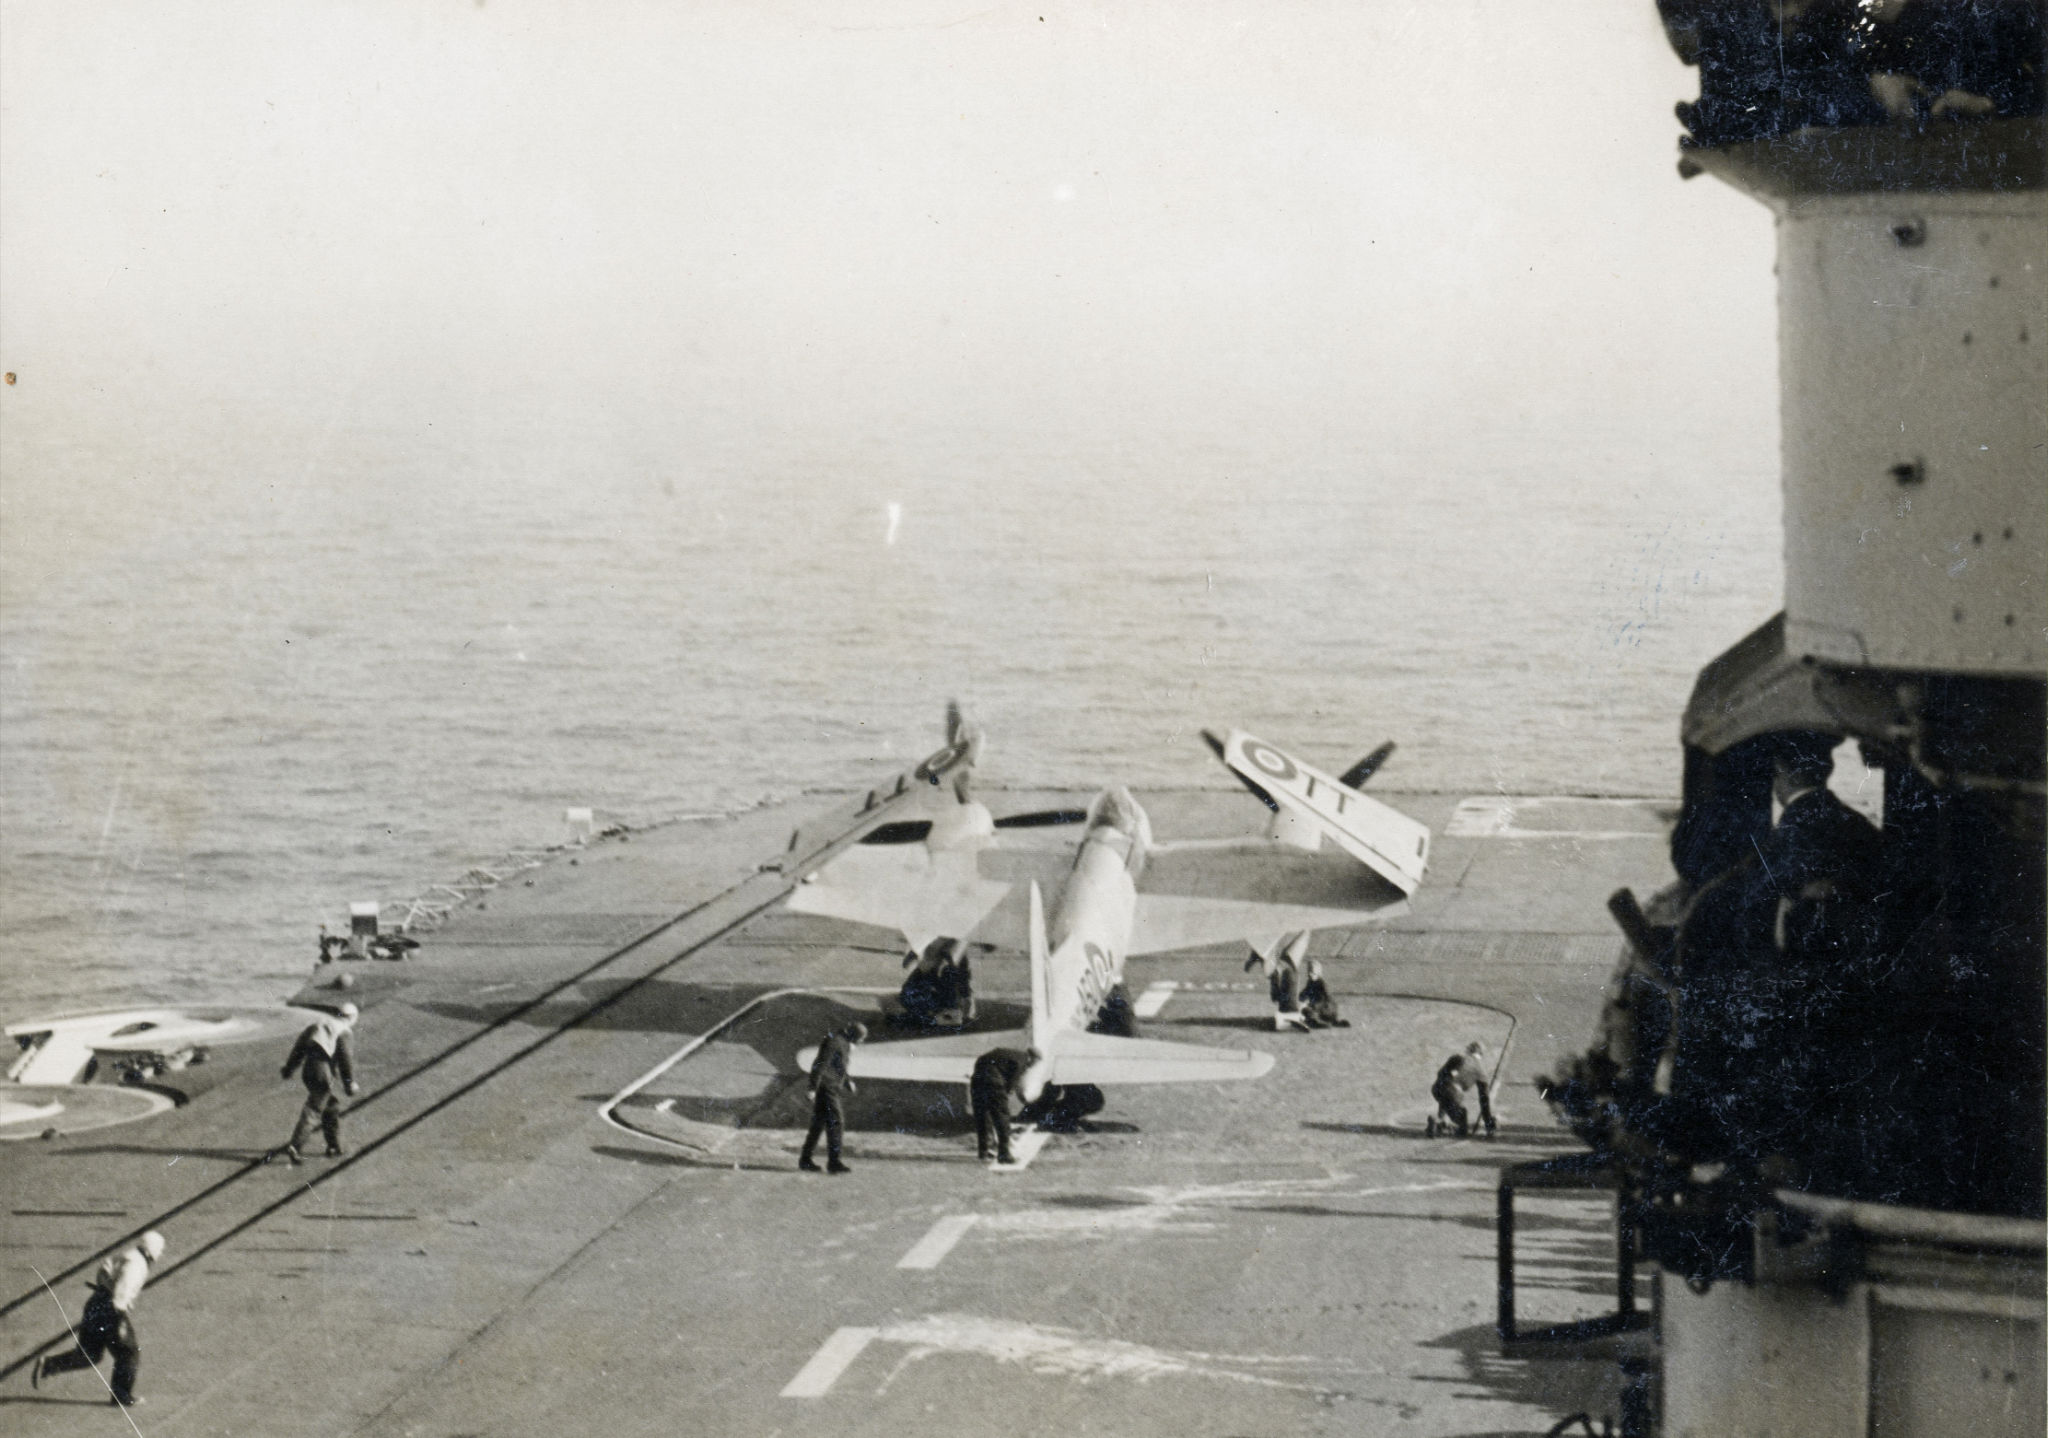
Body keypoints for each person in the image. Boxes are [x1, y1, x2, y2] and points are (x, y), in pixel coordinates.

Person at [32, 1230, 165, 1407]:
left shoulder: (128, 1255)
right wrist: (119, 1316)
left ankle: (48, 1365)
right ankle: (121, 1396)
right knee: (128, 1352)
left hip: (96, 1304)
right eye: (159, 1250)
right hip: (110, 1310)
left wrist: (105, 1287)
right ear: (152, 1250)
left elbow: (103, 1269)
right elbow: (122, 1293)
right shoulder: (137, 1265)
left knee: (89, 1355)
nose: (159, 1255)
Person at [270, 1003, 360, 1165]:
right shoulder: (344, 1032)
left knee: (331, 1105)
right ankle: (295, 1146)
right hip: (323, 1074)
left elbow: (299, 1048)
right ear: (352, 1018)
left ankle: (334, 1145)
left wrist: (289, 1068)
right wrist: (349, 1083)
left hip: (309, 1071)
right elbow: (345, 1059)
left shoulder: (318, 1025)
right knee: (314, 1110)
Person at [799, 1022, 865, 1174]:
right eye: (861, 1039)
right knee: (837, 1123)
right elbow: (820, 1064)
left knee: (818, 1124)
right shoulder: (834, 1042)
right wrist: (812, 1088)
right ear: (854, 1035)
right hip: (826, 1088)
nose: (861, 1043)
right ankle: (834, 1163)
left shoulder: (844, 1042)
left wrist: (848, 1081)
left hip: (831, 1087)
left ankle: (805, 1160)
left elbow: (840, 1066)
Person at [970, 1046, 1040, 1164]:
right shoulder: (1022, 1061)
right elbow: (1012, 1084)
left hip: (977, 1081)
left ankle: (984, 1151)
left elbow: (981, 1059)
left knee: (982, 1116)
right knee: (1002, 1118)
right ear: (1033, 1059)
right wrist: (1007, 1094)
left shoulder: (1009, 1053)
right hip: (994, 1084)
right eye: (1035, 1064)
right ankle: (1004, 1154)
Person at [1427, 1042, 1495, 1138]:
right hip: (1454, 1092)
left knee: (1445, 1099)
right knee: (1462, 1117)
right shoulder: (1480, 1069)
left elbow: (1440, 1073)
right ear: (1481, 1054)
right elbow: (1484, 1099)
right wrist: (1488, 1123)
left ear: (1469, 1050)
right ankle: (1441, 1122)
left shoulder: (1457, 1057)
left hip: (1437, 1088)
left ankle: (1440, 1121)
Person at [1299, 959, 1349, 1028]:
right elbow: (1304, 993)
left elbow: (1325, 1000)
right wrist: (1298, 998)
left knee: (1308, 1011)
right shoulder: (1310, 982)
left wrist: (1312, 1005)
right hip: (1319, 1008)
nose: (1310, 974)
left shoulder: (1322, 984)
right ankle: (1312, 1021)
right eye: (1309, 972)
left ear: (1318, 973)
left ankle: (1319, 1023)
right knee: (1304, 1010)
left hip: (1327, 1009)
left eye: (1313, 972)